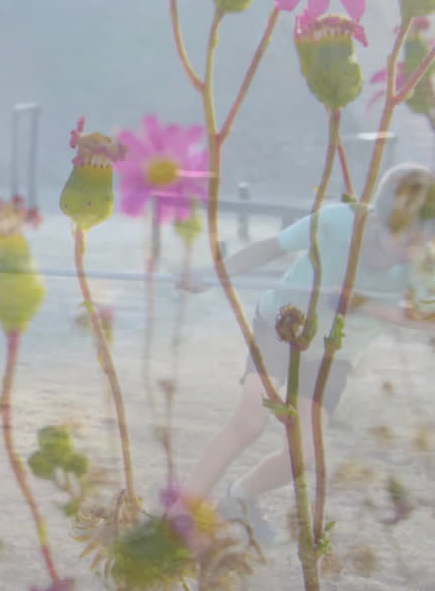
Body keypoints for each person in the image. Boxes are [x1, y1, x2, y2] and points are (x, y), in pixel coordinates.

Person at [174, 163, 435, 544]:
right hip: (282, 325)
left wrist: (362, 304)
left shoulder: (423, 261)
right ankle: (178, 513)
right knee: (250, 420)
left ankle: (239, 499)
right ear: (379, 220)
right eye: (407, 238)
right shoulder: (337, 222)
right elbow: (271, 247)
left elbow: (425, 319)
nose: (413, 250)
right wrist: (214, 273)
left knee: (302, 454)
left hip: (334, 354)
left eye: (423, 239)